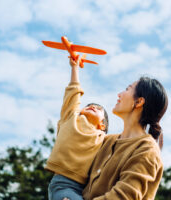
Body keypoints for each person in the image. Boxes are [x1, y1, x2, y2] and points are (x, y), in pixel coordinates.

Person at [82, 76, 168, 200]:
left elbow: (123, 197)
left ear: (138, 102)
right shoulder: (106, 140)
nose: (119, 94)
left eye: (127, 89)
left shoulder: (147, 150)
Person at [46, 55, 109, 200]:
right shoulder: (71, 118)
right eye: (88, 106)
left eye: (99, 109)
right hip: (63, 184)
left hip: (87, 189)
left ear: (102, 125)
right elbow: (73, 92)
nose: (93, 106)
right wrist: (75, 67)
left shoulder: (102, 137)